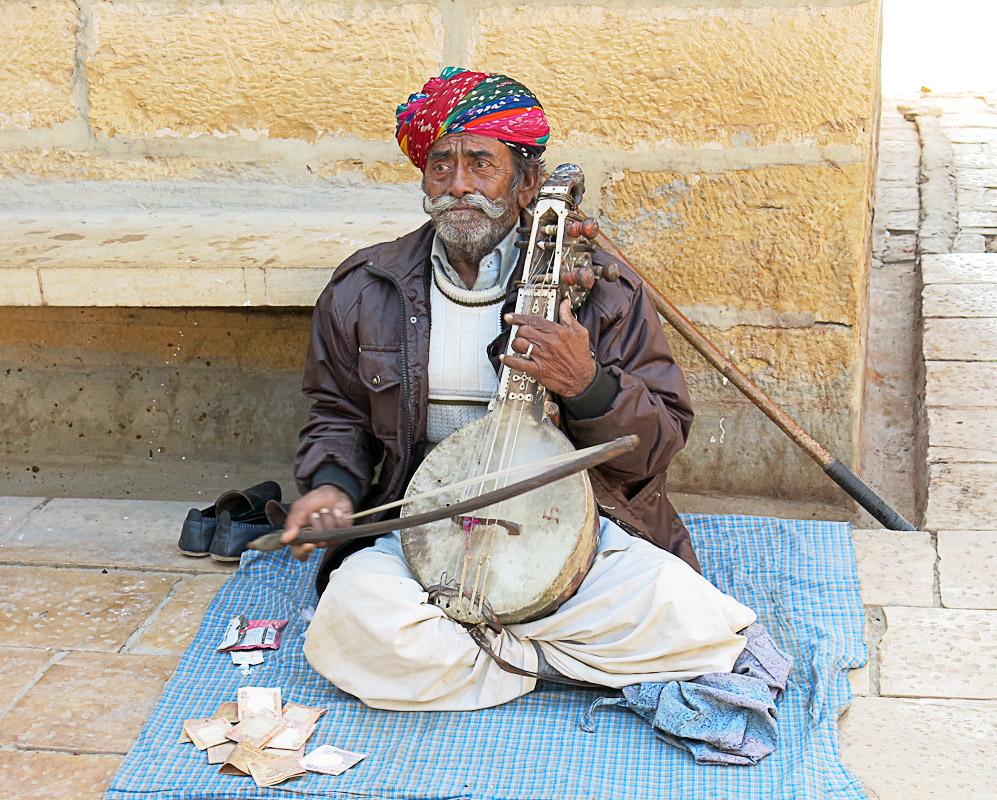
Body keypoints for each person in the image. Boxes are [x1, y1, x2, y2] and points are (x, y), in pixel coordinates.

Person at [282, 67, 756, 711]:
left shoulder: (605, 291)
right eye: (440, 166)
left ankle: (482, 656)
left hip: (572, 526)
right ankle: (554, 660)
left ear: (527, 182)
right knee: (351, 618)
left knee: (703, 627)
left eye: (482, 164)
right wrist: (333, 484)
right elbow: (336, 410)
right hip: (423, 527)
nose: (458, 186)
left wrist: (588, 386)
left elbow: (660, 444)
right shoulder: (367, 287)